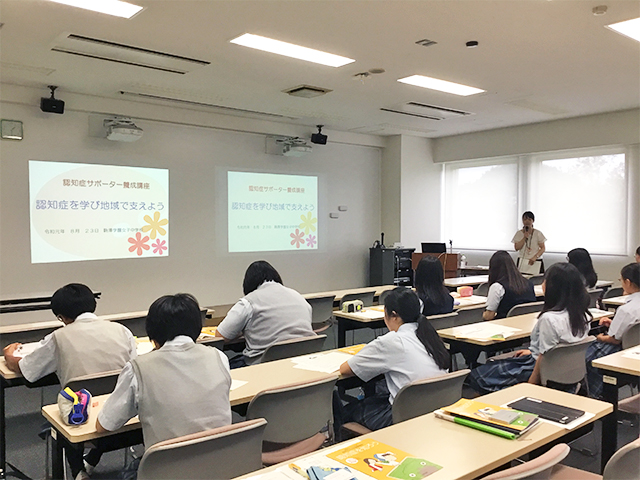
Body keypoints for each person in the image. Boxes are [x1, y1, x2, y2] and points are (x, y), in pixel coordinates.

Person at [3, 283, 137, 480]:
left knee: (64, 409)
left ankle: (78, 472)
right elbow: (133, 369)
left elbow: (26, 369)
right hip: (121, 410)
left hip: (80, 415)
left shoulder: (58, 337)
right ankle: (90, 462)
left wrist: (8, 354)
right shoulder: (122, 330)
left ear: (61, 317)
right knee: (105, 396)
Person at [97, 293, 231, 455]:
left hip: (168, 465)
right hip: (221, 461)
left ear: (152, 333)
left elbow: (104, 424)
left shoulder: (138, 368)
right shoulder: (219, 357)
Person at [334, 287, 449, 433]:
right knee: (377, 395)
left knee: (345, 412)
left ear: (394, 316)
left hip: (404, 415)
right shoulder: (430, 336)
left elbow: (345, 369)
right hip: (436, 408)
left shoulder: (392, 341)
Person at [467, 263, 591, 395]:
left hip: (539, 370)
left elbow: (544, 358)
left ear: (552, 287)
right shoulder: (583, 315)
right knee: (494, 368)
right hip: (567, 370)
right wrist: (533, 351)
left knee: (477, 376)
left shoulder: (549, 319)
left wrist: (530, 386)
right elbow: (559, 350)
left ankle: (510, 395)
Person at [215, 260, 315, 368]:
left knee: (221, 368)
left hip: (264, 365)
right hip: (304, 362)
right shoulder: (298, 296)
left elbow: (220, 336)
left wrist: (241, 330)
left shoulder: (248, 302)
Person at [586, 263, 640, 398]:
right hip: (635, 349)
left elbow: (614, 340)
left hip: (620, 351)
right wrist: (613, 324)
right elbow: (632, 330)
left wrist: (598, 337)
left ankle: (594, 395)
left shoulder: (626, 309)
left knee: (587, 355)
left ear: (628, 282)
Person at [483, 251, 536, 321]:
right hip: (526, 323)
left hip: (504, 325)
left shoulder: (497, 287)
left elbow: (489, 316)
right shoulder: (529, 283)